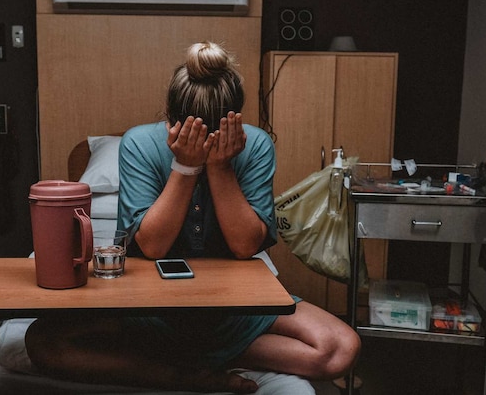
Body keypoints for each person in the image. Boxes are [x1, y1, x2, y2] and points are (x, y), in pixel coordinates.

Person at [26, 41, 361, 393]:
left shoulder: (257, 145)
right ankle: (180, 376)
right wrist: (185, 166)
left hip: (233, 308)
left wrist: (219, 166)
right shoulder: (139, 143)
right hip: (149, 309)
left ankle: (180, 356)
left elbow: (245, 246)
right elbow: (152, 247)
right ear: (170, 117)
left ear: (235, 123)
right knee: (43, 341)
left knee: (340, 348)